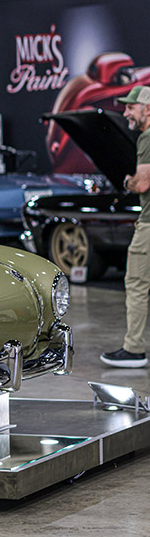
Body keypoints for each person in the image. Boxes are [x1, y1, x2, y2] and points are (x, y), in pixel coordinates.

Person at [102, 85, 150, 368]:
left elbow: (143, 183)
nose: (126, 111)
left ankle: (133, 349)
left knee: (136, 284)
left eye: (131, 106)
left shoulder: (147, 138)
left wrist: (127, 181)